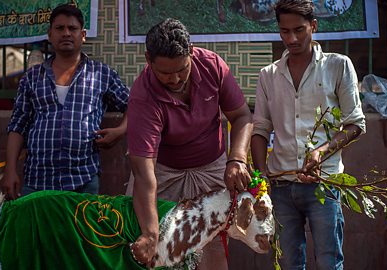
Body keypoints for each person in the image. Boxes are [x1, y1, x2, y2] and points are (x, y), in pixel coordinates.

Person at [125, 18, 253, 269]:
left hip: (212, 167)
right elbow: (144, 172)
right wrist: (150, 233)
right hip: (164, 175)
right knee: (164, 247)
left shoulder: (213, 66)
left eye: (182, 69)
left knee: (212, 245)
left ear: (192, 52)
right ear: (148, 59)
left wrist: (237, 158)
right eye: (165, 73)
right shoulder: (143, 95)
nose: (175, 79)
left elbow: (241, 117)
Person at [251, 0, 366, 269]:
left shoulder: (338, 66)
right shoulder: (268, 75)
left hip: (324, 184)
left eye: (299, 30)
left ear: (313, 26)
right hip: (280, 187)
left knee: (329, 262)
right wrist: (261, 175)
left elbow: (356, 124)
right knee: (290, 263)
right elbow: (260, 130)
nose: (291, 38)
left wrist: (321, 151)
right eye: (284, 31)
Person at [2, 4, 129, 199]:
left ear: (83, 35)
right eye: (60, 28)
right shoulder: (32, 77)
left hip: (83, 178)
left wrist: (120, 131)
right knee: (38, 230)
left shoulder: (101, 74)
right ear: (50, 34)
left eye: (73, 28)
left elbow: (135, 105)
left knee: (81, 230)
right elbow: (18, 125)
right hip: (38, 179)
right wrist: (10, 170)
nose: (66, 33)